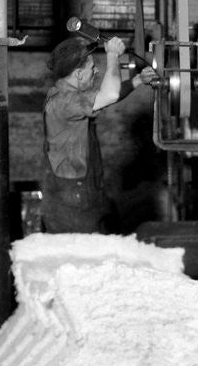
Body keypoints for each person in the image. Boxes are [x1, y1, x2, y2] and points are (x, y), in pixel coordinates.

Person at [41, 35, 154, 233]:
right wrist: (112, 55)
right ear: (78, 74)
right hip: (72, 202)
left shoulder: (69, 96)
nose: (96, 71)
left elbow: (107, 97)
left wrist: (136, 80)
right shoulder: (63, 102)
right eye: (92, 67)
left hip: (81, 192)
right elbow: (108, 94)